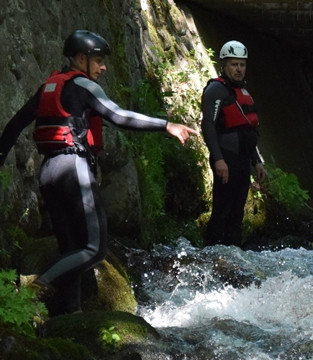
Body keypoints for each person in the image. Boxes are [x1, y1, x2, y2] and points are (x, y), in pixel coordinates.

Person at [0, 29, 198, 314]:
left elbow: (14, 125)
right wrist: (166, 125)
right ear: (81, 58)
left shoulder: (49, 87)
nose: (103, 67)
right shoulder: (83, 85)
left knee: (71, 249)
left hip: (49, 173)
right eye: (99, 60)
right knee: (94, 248)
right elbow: (119, 116)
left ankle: (71, 314)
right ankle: (34, 288)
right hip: (73, 169)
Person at [201, 40, 266, 246]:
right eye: (234, 64)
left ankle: (234, 261)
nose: (239, 69)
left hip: (243, 160)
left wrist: (257, 161)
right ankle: (211, 256)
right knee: (222, 210)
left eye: (242, 65)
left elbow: (248, 131)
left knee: (237, 215)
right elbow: (208, 125)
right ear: (224, 65)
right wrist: (219, 160)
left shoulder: (244, 93)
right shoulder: (215, 91)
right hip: (226, 159)